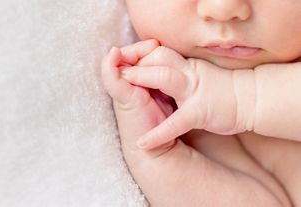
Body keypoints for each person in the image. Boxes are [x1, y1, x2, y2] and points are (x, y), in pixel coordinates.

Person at [101, 0, 301, 206]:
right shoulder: (188, 111)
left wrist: (240, 95)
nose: (222, 8)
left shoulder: (208, 97)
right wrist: (159, 157)